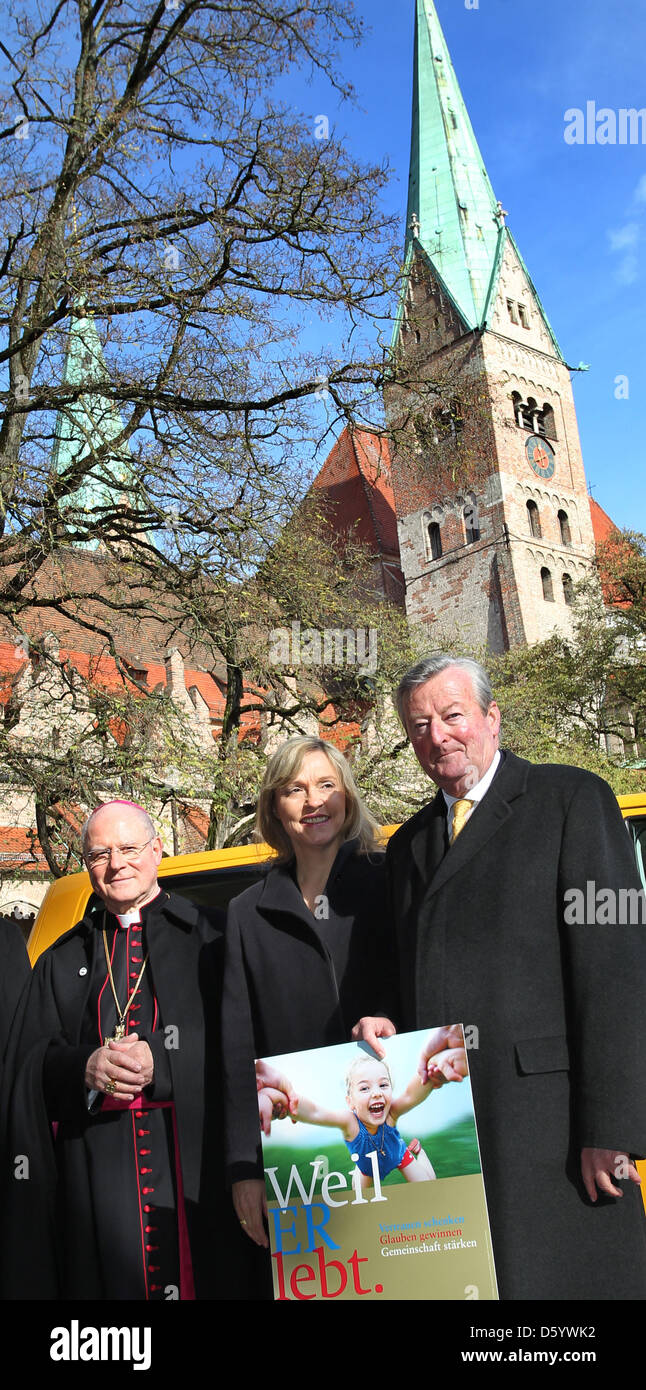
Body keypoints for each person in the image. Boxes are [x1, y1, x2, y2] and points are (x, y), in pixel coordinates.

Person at [357, 653, 646, 1300]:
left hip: (553, 1133)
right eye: (420, 725)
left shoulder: (569, 799)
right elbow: (403, 973)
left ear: (492, 717)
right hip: (450, 1135)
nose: (438, 736)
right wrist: (381, 1018)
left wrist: (612, 1131)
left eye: (453, 715)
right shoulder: (408, 846)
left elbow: (615, 972)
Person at [0, 799, 233, 1300]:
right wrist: (83, 1067)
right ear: (87, 867)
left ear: (157, 850)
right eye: (99, 855)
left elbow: (244, 1039)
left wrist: (165, 1060)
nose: (116, 864)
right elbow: (26, 1064)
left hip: (194, 1159)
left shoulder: (214, 936)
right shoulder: (63, 958)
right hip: (99, 1174)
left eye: (129, 848)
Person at [221, 735, 400, 1262]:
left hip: (391, 1129)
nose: (313, 801)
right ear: (275, 807)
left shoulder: (391, 881)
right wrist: (245, 1167)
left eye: (327, 785)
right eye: (295, 789)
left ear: (348, 797)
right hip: (300, 1153)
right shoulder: (247, 912)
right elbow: (237, 1052)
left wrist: (390, 1016)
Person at [268, 1044, 468, 1186]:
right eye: (365, 1088)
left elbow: (410, 1095)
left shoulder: (391, 1115)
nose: (377, 1093)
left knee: (429, 1186)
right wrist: (288, 1100)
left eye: (383, 1085)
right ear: (350, 1102)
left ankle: (419, 1152)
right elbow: (316, 1111)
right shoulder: (350, 1123)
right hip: (366, 1168)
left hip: (397, 1155)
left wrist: (431, 1069)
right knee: (359, 1207)